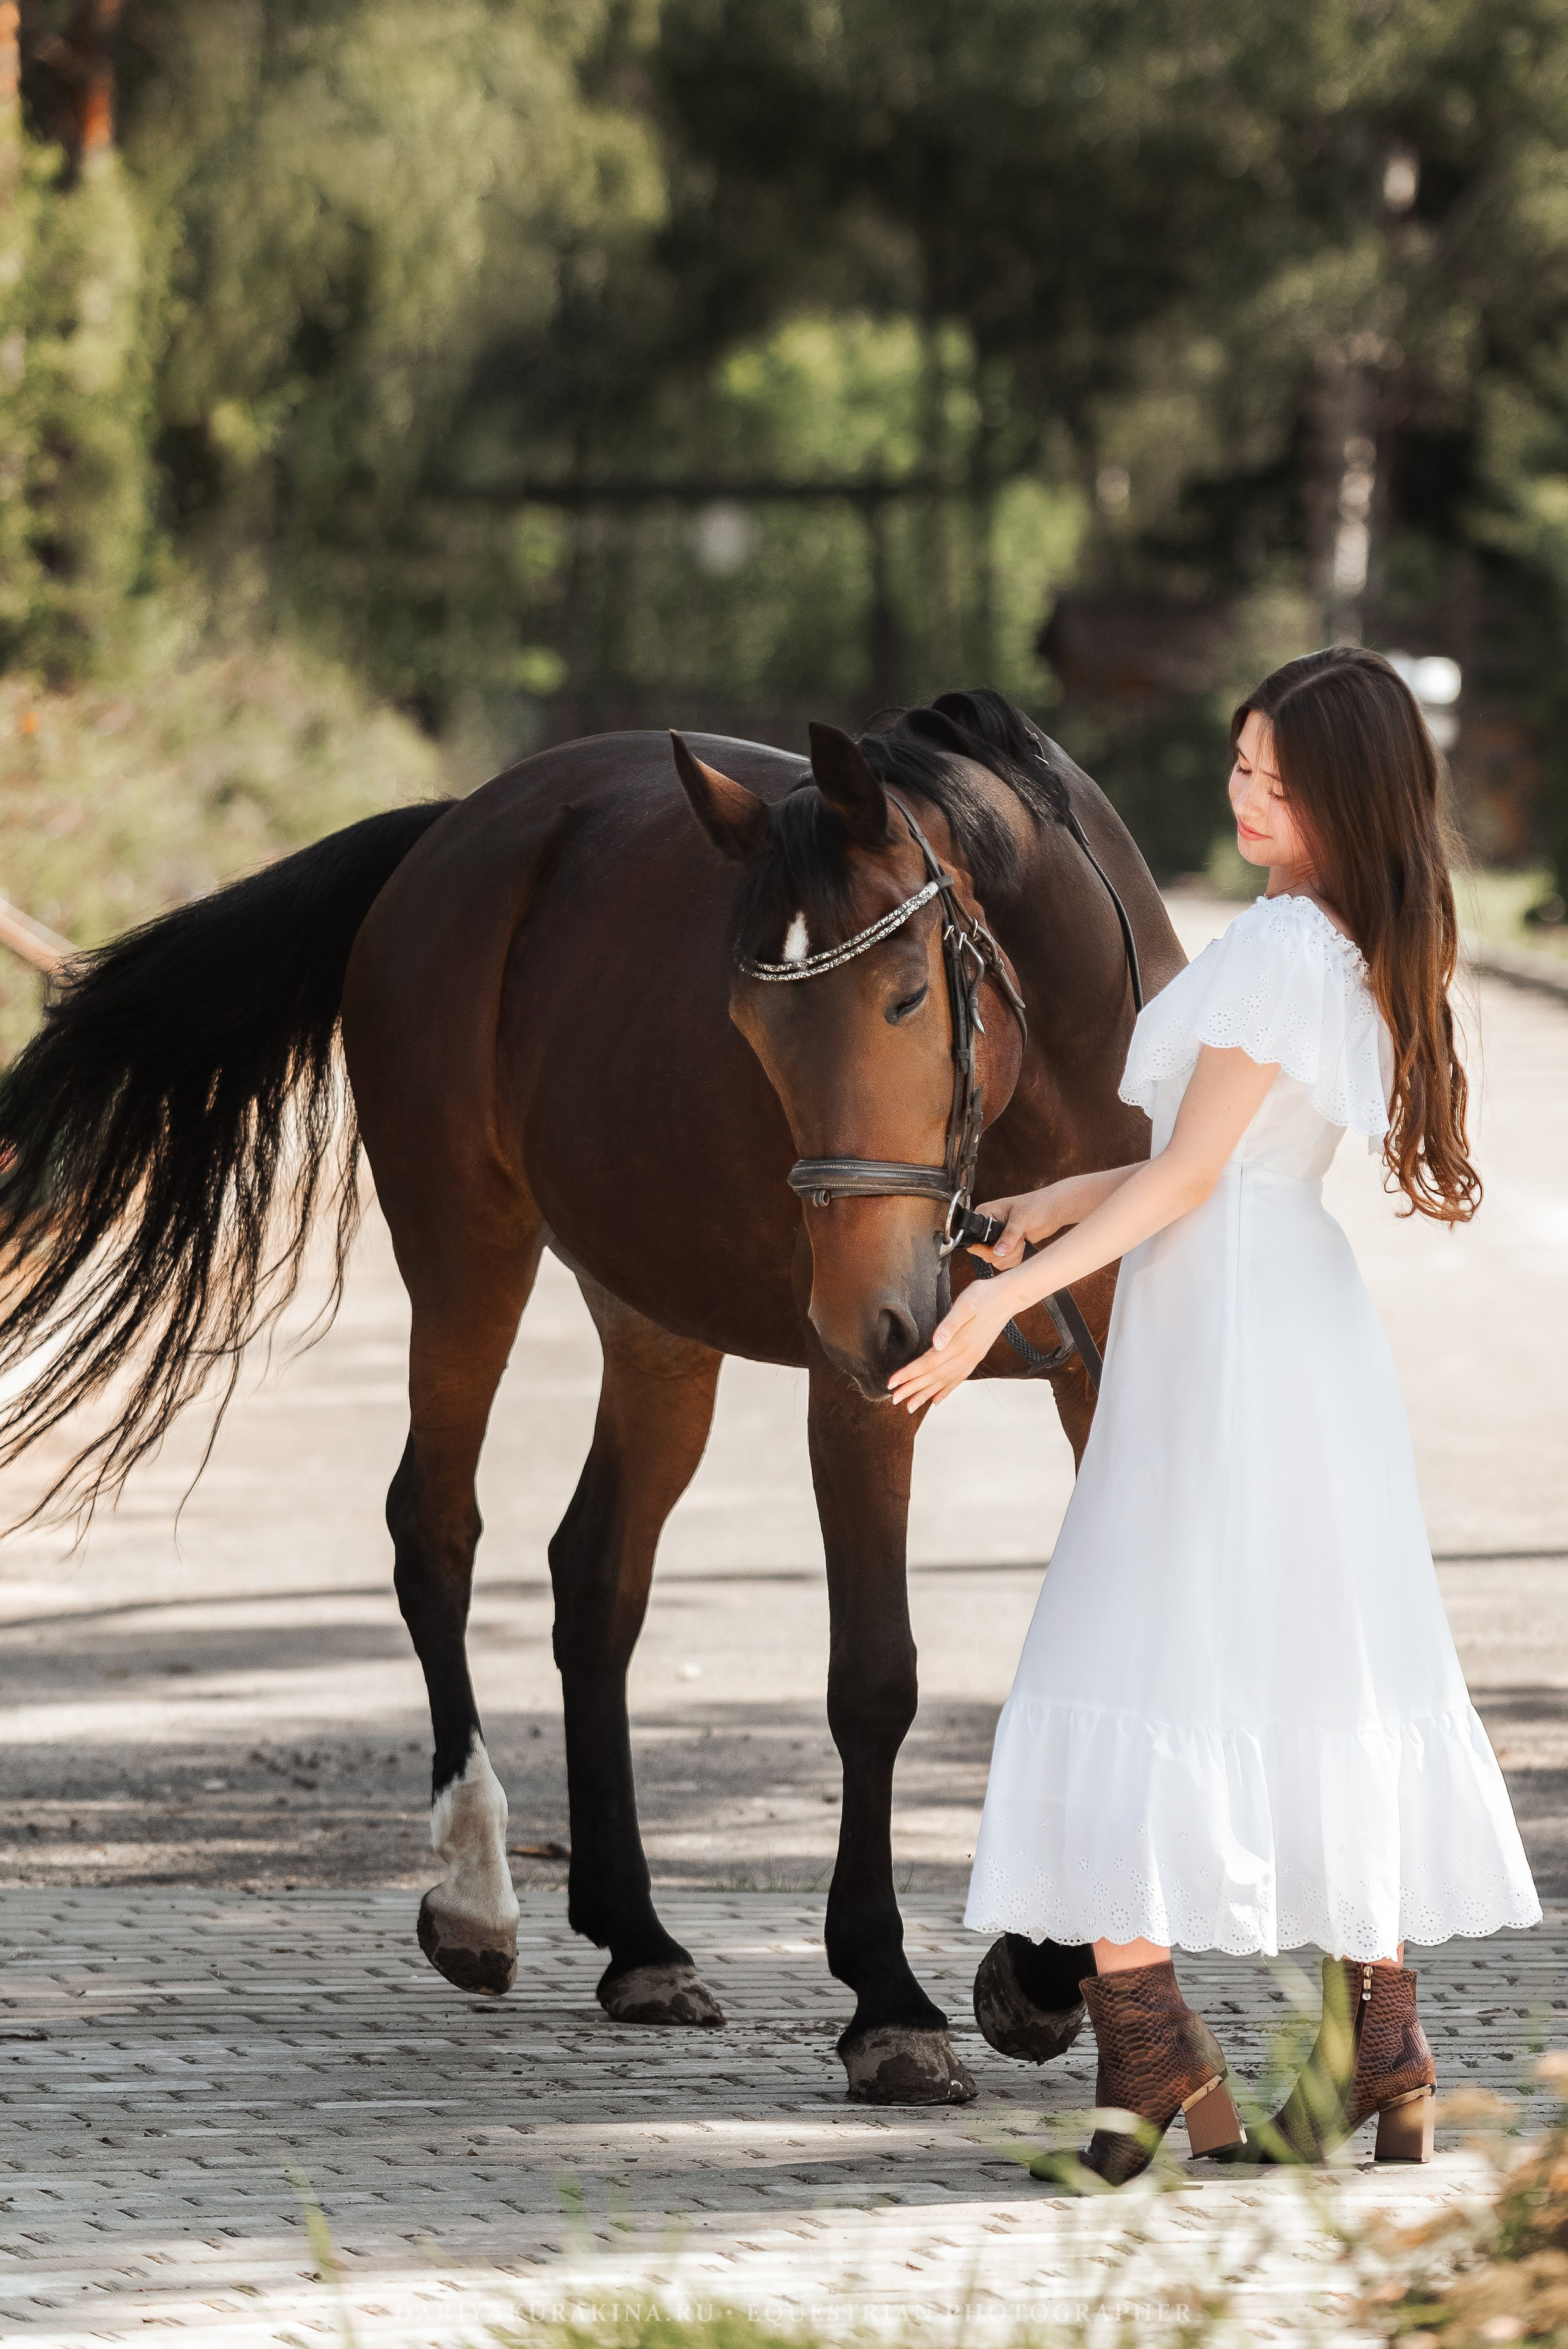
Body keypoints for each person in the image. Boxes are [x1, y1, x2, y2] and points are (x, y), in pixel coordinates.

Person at [888, 646, 1540, 2185]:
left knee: (1125, 1658)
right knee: (1302, 1668)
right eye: (1239, 764)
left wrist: (989, 1302)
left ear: (1347, 794)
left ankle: (1151, 2061)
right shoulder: (1361, 943)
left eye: (1276, 777)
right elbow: (1218, 1163)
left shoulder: (1269, 949)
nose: (1245, 794)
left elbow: (1189, 1182)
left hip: (1224, 1333)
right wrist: (1039, 1210)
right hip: (1280, 1314)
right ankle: (1379, 2056)